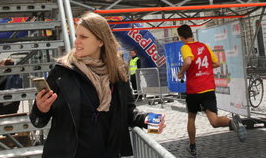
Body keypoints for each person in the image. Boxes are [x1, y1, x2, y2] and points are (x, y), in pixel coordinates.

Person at [29, 12, 165, 157]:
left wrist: (147, 120)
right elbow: (38, 122)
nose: (76, 42)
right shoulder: (62, 72)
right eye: (76, 36)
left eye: (83, 37)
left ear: (101, 41)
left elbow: (127, 111)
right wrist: (40, 109)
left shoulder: (117, 72)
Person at [176, 24, 245, 157]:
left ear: (182, 37)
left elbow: (189, 61)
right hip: (208, 88)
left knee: (191, 117)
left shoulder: (185, 47)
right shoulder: (204, 46)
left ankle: (193, 147)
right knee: (214, 121)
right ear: (191, 34)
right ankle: (232, 122)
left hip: (194, 90)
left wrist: (180, 73)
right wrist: (204, 68)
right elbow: (217, 63)